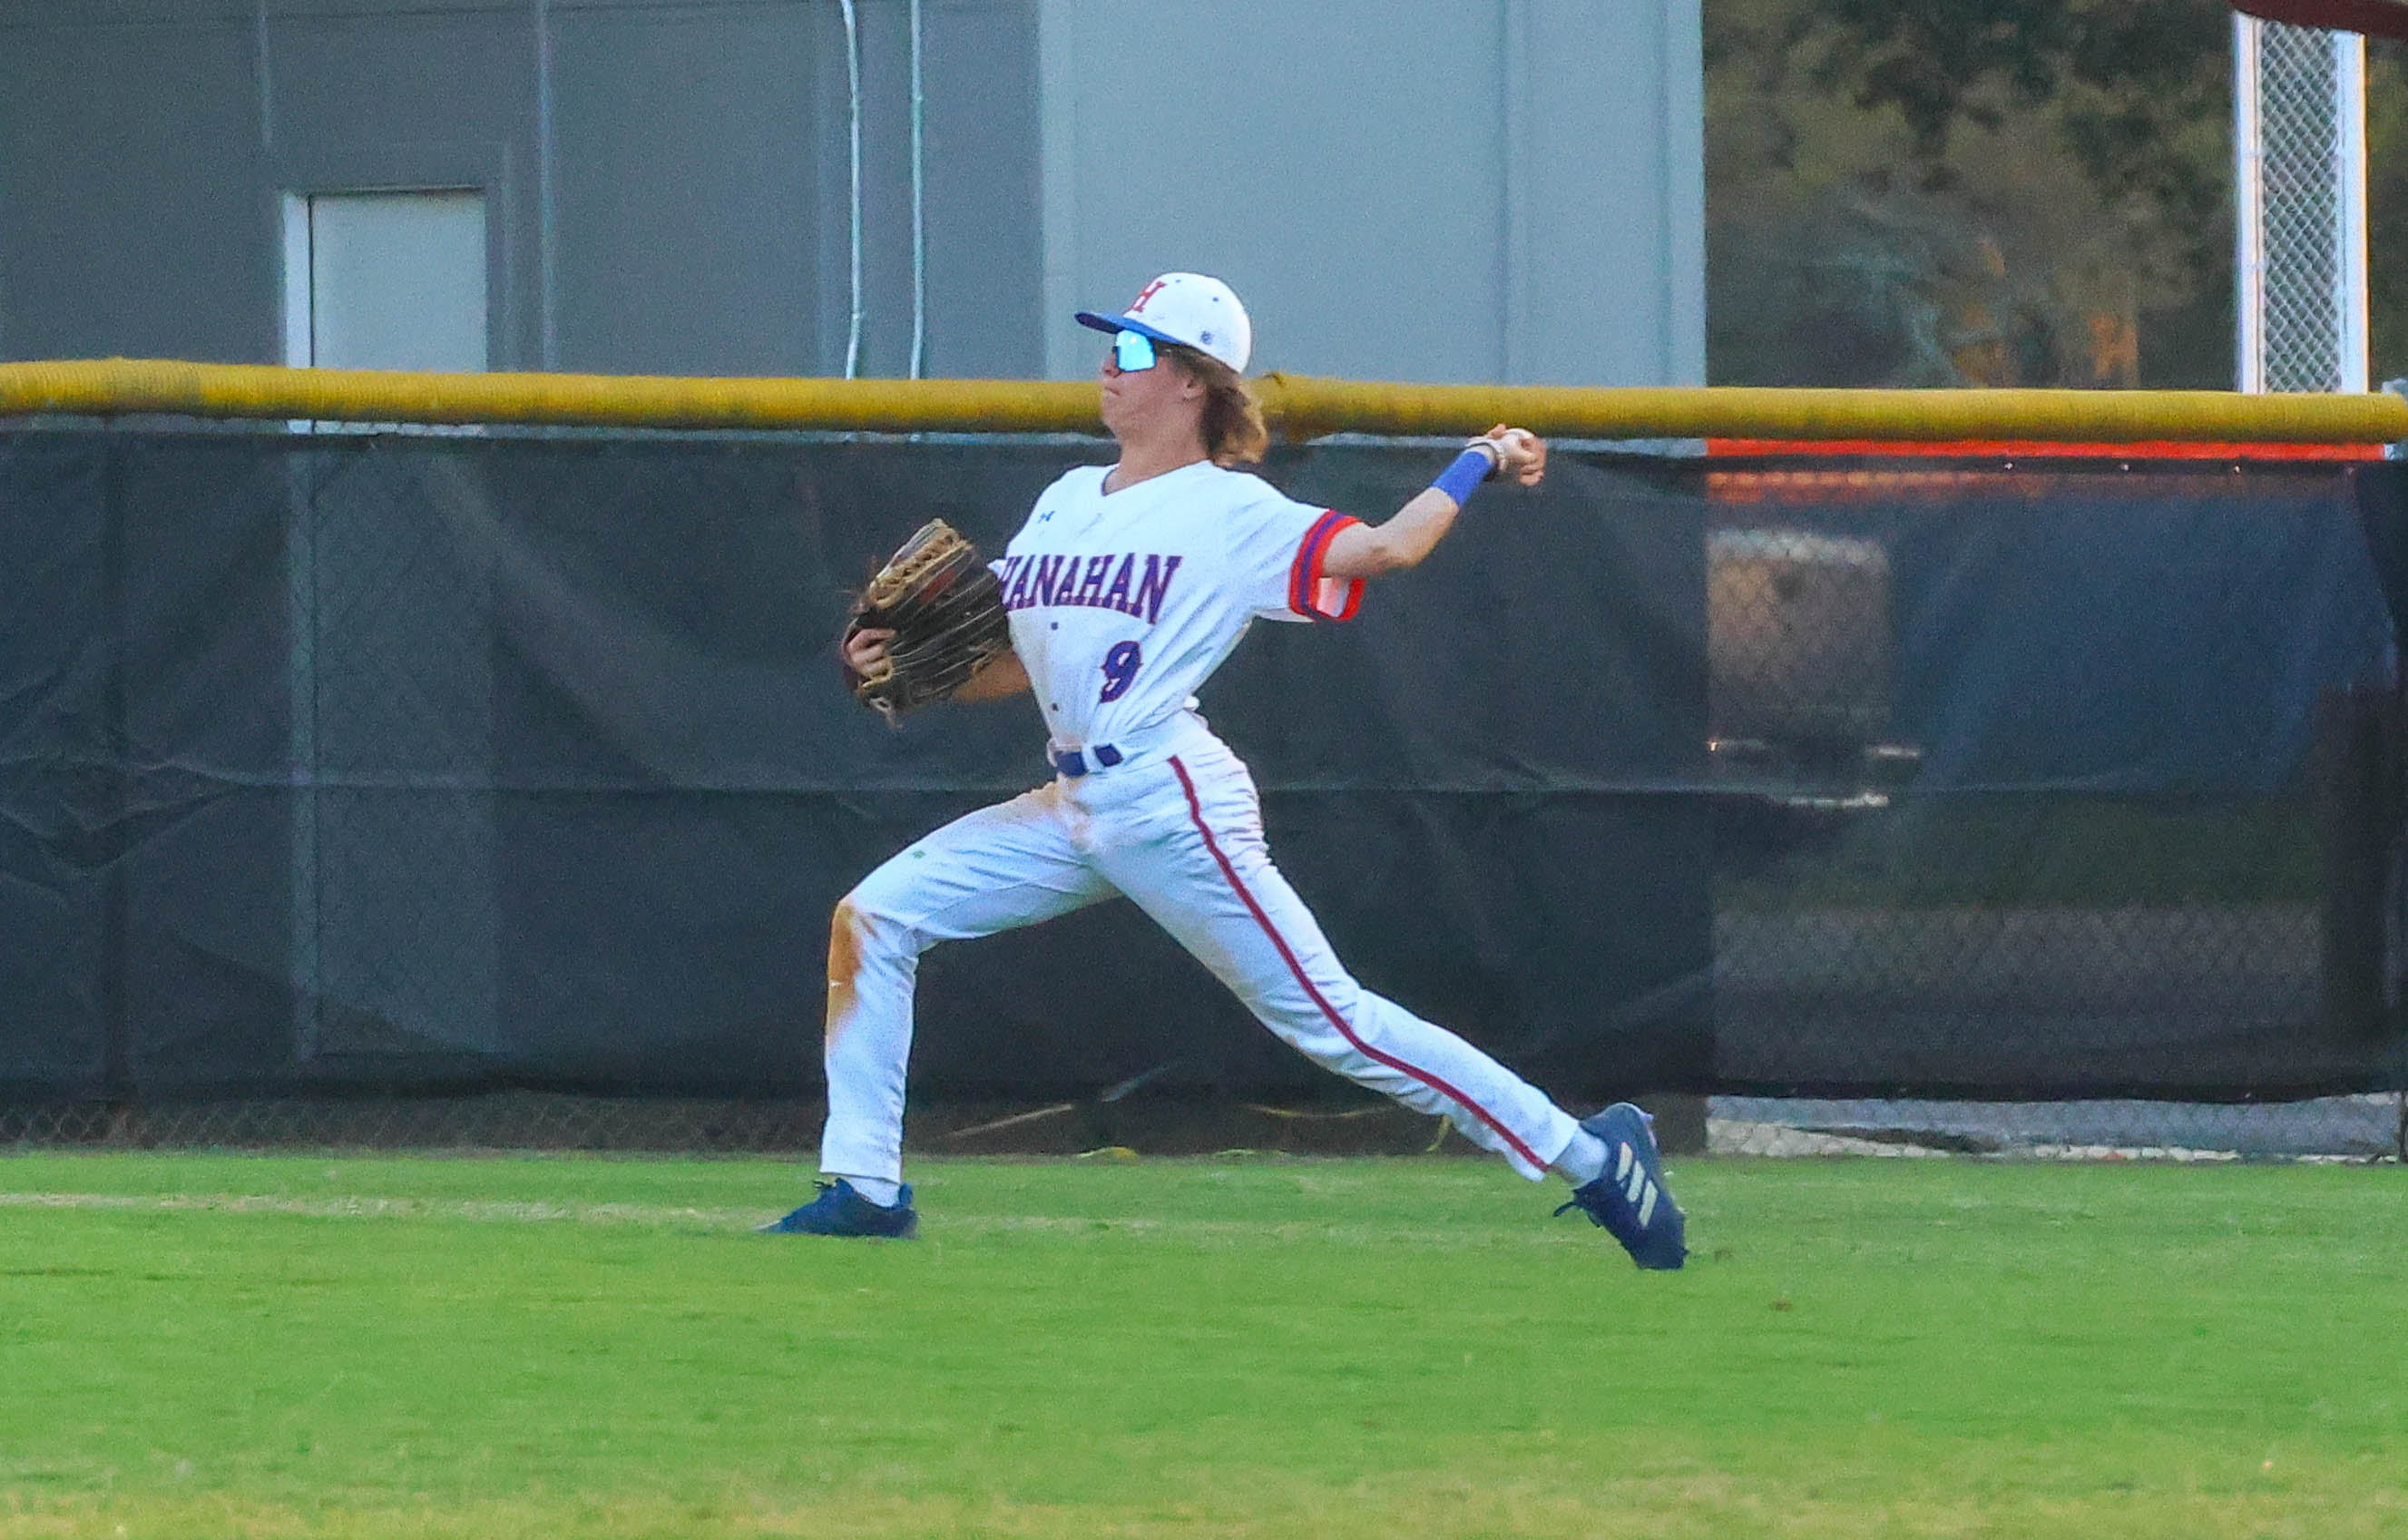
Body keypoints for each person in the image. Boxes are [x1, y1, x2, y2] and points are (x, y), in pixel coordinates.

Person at [761, 272, 1686, 1269]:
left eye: (1128, 352)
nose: (1105, 369)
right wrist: (910, 672)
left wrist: (1475, 458)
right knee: (877, 914)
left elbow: (1386, 548)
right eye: (1109, 348)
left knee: (1334, 1023)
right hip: (1069, 798)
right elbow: (1015, 665)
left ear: (1192, 381)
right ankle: (862, 1186)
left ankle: (1593, 1155)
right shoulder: (1065, 500)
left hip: (1168, 800)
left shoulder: (1231, 511)